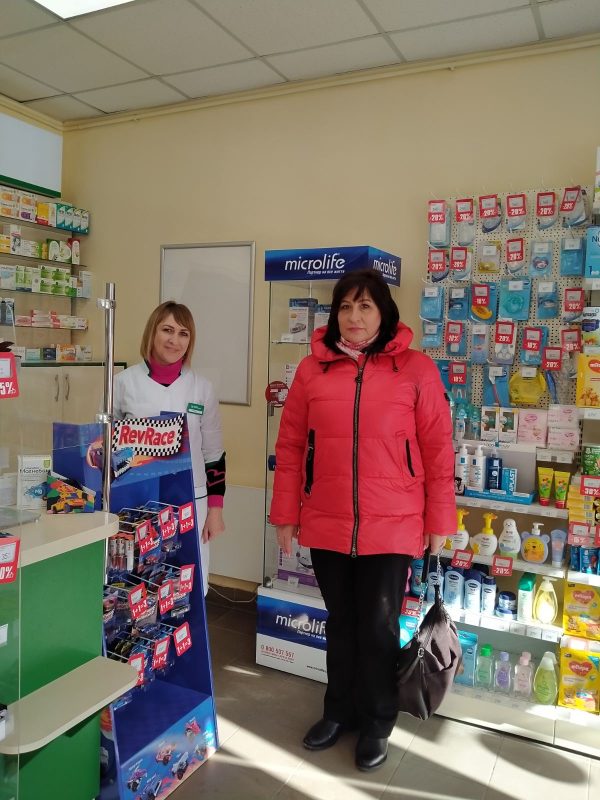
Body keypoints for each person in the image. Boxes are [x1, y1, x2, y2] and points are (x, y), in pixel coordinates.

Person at [269, 269, 455, 771]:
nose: (354, 316)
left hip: (392, 524)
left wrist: (440, 519)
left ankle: (377, 720)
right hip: (328, 520)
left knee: (378, 627)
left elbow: (438, 449)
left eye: (365, 306)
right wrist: (285, 514)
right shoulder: (312, 370)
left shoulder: (415, 369)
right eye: (345, 307)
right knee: (341, 623)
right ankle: (339, 711)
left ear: (383, 312)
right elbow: (290, 447)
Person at [113, 301, 225, 595]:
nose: (175, 340)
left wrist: (215, 510)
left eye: (183, 333)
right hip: (138, 499)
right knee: (138, 580)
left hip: (191, 498)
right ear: (152, 332)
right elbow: (107, 447)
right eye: (167, 330)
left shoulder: (202, 388)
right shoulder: (122, 384)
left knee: (189, 582)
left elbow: (214, 454)